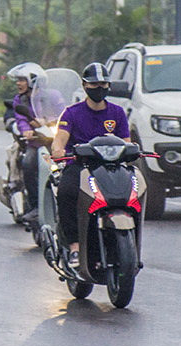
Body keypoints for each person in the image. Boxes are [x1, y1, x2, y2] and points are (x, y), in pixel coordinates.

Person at [50, 62, 131, 269]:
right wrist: (58, 150)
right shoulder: (71, 113)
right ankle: (75, 247)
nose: (99, 88)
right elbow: (60, 138)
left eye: (103, 84)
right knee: (67, 192)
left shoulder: (118, 112)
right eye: (94, 84)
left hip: (111, 168)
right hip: (80, 166)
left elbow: (126, 141)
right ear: (85, 86)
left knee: (131, 193)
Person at [3, 62, 45, 223]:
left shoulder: (53, 96)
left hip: (54, 142)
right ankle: (35, 206)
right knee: (28, 164)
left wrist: (46, 121)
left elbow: (62, 113)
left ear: (33, 80)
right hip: (35, 143)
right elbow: (21, 120)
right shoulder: (19, 100)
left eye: (22, 80)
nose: (18, 83)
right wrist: (26, 130)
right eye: (18, 80)